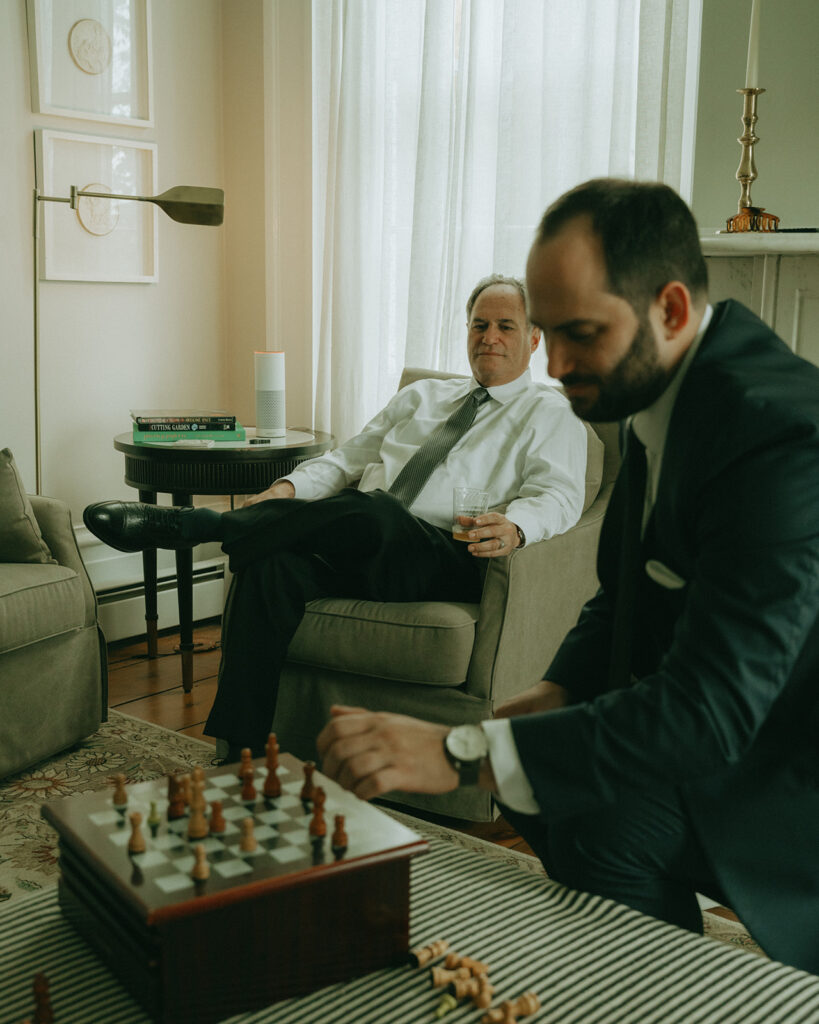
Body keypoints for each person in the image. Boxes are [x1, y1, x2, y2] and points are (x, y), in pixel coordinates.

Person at [316, 179, 819, 974]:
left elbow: (710, 712)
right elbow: (624, 593)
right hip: (740, 725)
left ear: (672, 309)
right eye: (546, 333)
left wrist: (460, 749)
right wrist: (555, 689)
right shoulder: (664, 385)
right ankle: (665, 982)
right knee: (552, 793)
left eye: (578, 334)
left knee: (571, 800)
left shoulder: (774, 438)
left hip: (788, 767)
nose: (554, 363)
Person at [84, 274, 593, 759]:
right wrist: (286, 487)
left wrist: (518, 526)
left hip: (446, 554)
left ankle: (204, 527)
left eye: (506, 326)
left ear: (533, 340)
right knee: (271, 566)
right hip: (361, 540)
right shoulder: (422, 396)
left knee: (378, 511)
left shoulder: (552, 412)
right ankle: (241, 751)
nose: (490, 337)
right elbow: (346, 460)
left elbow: (560, 496)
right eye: (480, 324)